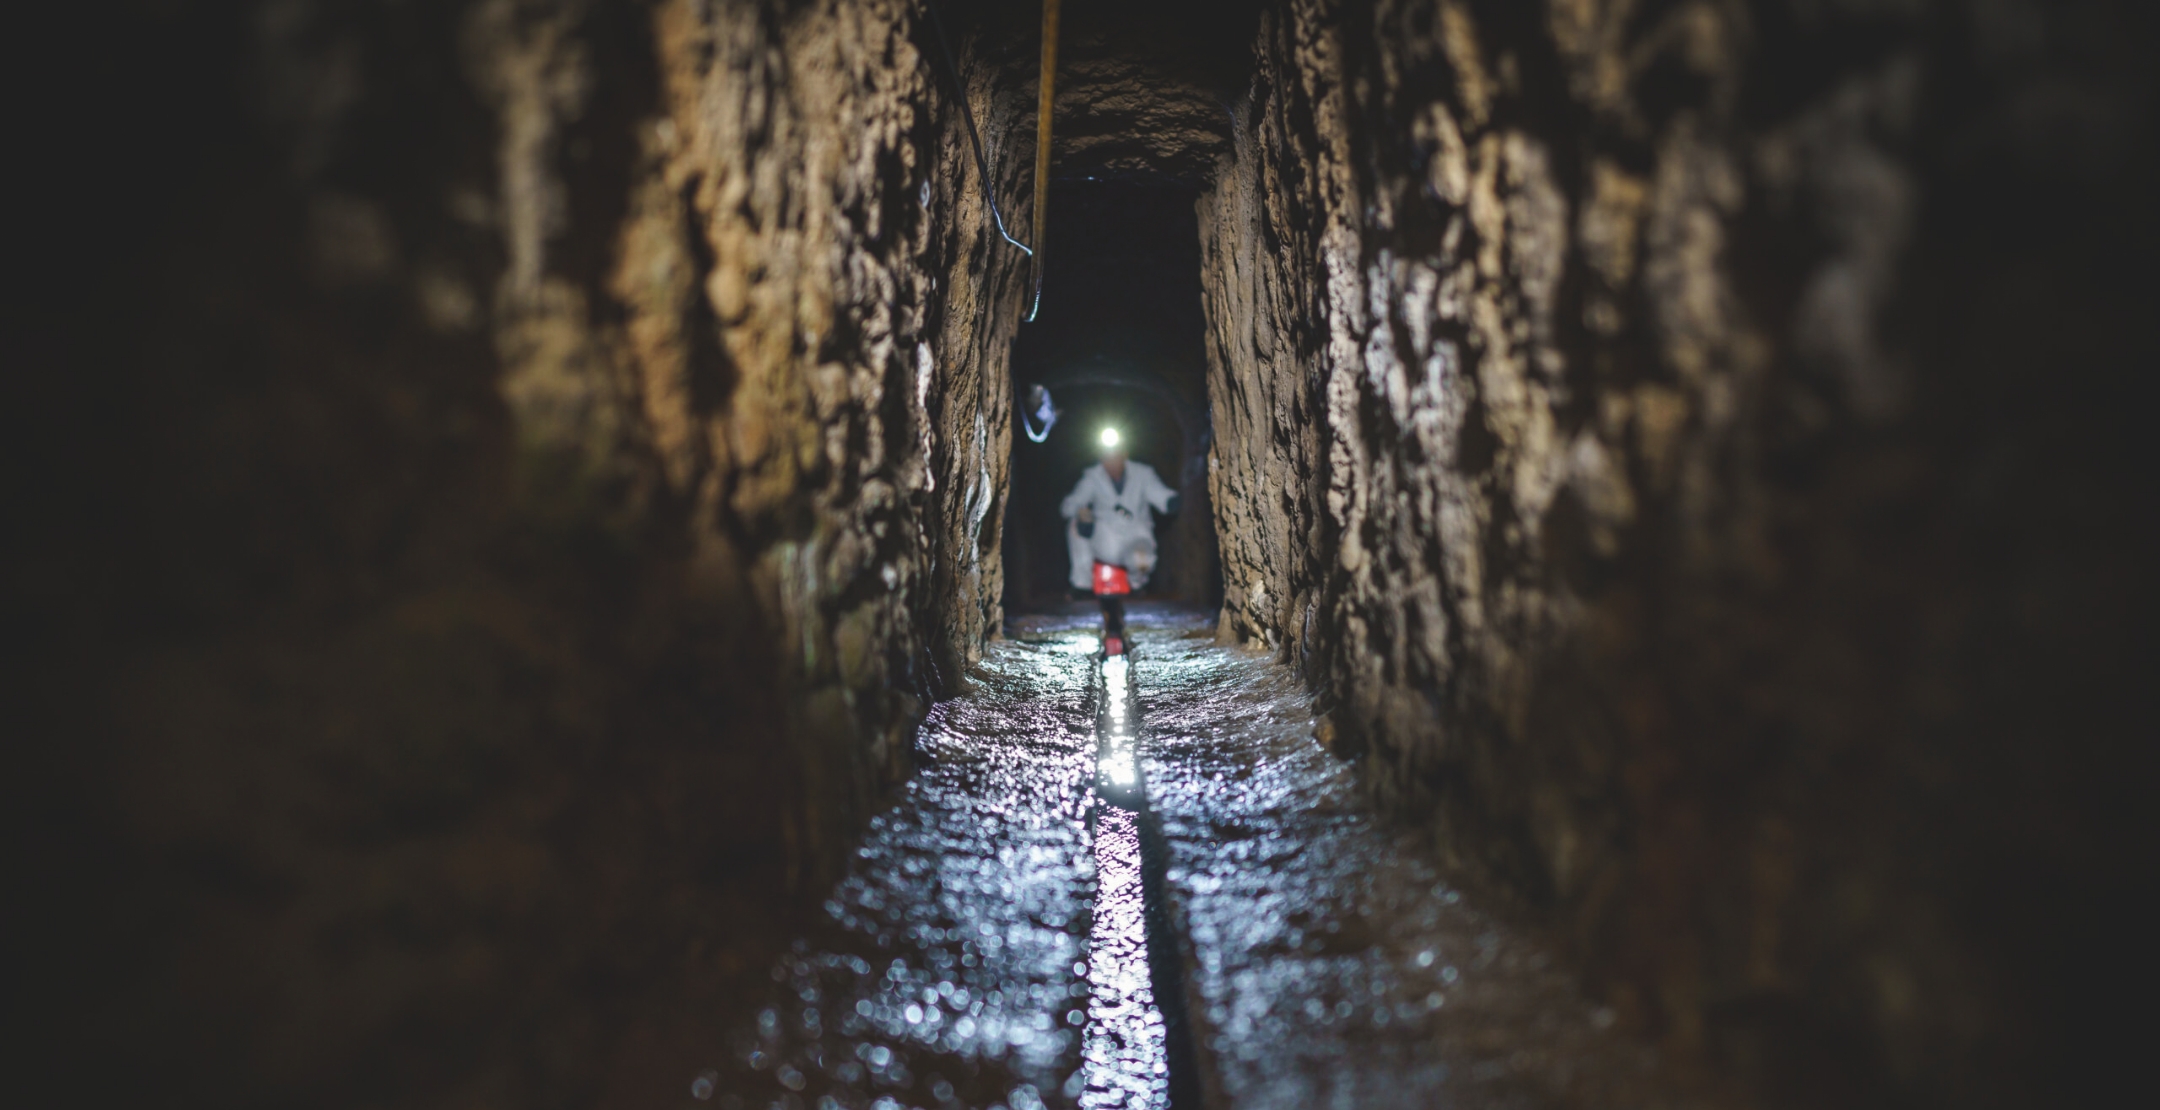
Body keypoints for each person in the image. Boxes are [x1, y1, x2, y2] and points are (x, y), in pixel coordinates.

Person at [1061, 430, 1178, 655]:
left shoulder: (1143, 474)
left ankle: (1137, 582)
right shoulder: (1093, 477)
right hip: (1105, 539)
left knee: (1141, 559)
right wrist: (1081, 513)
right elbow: (1071, 504)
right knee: (1075, 526)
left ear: (1124, 455)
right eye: (1107, 457)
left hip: (1136, 537)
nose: (1112, 462)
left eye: (1116, 456)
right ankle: (1082, 582)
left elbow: (1159, 494)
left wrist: (1171, 501)